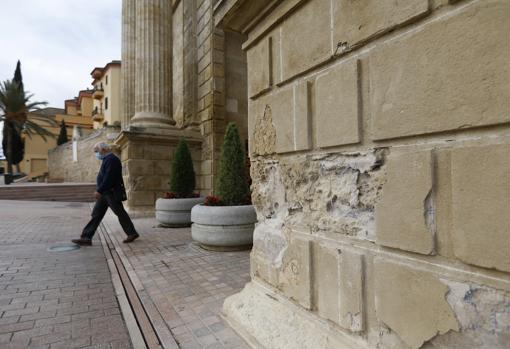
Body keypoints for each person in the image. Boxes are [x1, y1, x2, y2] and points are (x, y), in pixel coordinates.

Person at [72, 142, 139, 246]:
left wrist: (99, 190)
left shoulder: (111, 159)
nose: (96, 154)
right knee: (96, 215)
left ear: (103, 150)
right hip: (106, 193)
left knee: (120, 213)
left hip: (110, 193)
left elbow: (109, 178)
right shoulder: (107, 159)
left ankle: (132, 233)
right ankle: (86, 237)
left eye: (96, 151)